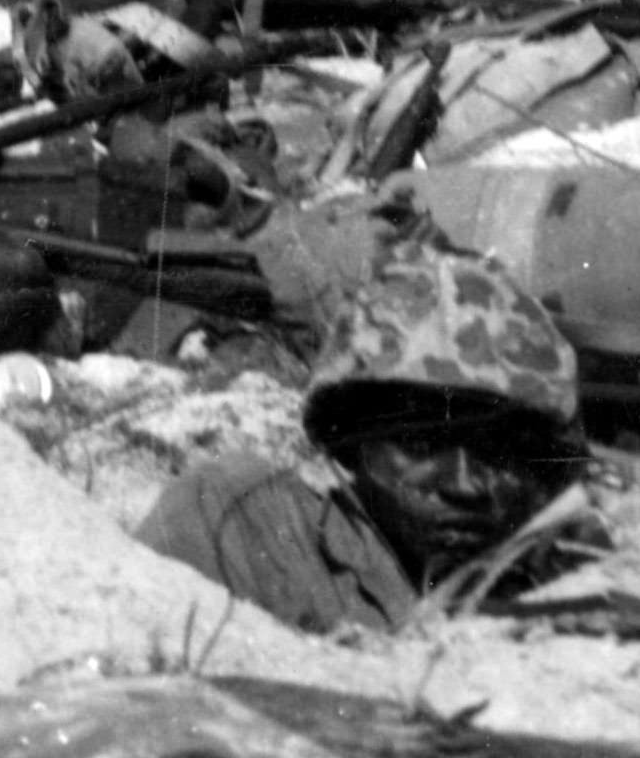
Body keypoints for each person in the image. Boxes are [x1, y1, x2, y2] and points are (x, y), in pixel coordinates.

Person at [134, 248, 599, 636]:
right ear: (353, 439)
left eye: (496, 450)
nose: (464, 484)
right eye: (422, 444)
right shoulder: (246, 520)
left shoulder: (565, 569)